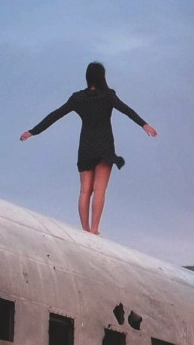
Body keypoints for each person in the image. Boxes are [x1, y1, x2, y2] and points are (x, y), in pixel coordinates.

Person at [21, 61, 156, 235]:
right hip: (105, 146)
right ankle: (94, 229)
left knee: (85, 190)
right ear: (102, 77)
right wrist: (144, 125)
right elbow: (127, 110)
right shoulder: (108, 95)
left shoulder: (78, 98)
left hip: (86, 147)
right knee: (99, 189)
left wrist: (33, 131)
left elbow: (55, 115)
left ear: (87, 77)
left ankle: (84, 230)